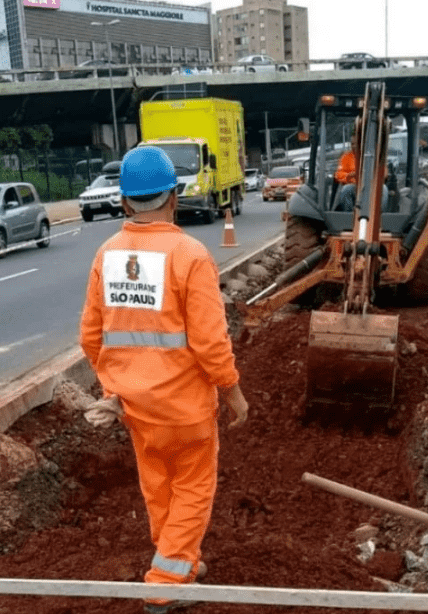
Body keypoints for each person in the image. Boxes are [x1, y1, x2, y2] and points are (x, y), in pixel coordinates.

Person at [79, 146, 249, 614]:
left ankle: (180, 561)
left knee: (158, 488)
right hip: (186, 408)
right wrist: (233, 393)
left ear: (126, 202)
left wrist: (115, 384)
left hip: (138, 409)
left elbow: (90, 336)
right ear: (173, 197)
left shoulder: (107, 254)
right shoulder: (189, 255)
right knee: (193, 489)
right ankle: (164, 583)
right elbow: (211, 344)